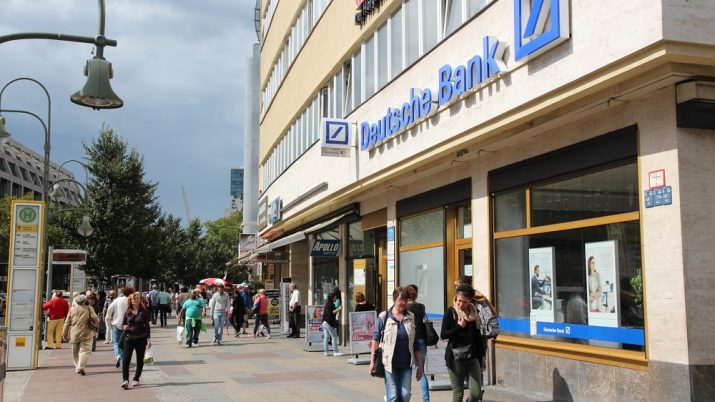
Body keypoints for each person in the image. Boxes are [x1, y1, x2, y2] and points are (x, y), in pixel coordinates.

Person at [369, 287, 424, 402]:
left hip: (406, 364)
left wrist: (420, 366)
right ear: (394, 300)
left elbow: (416, 343)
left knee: (405, 395)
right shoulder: (384, 317)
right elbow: (376, 340)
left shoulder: (411, 317)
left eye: (405, 300)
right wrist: (372, 362)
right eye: (400, 300)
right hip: (389, 364)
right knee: (393, 396)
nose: (403, 303)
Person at [441, 285, 486, 402]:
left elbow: (478, 338)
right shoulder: (450, 312)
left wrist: (483, 358)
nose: (461, 304)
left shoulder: (474, 314)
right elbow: (444, 335)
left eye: (464, 302)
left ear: (470, 301)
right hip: (455, 357)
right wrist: (459, 327)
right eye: (459, 301)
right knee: (458, 393)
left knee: (476, 393)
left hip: (473, 357)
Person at [120, 292, 152, 389]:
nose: (136, 300)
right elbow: (123, 324)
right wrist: (124, 327)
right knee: (126, 360)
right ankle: (125, 380)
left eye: (138, 298)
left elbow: (147, 326)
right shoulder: (127, 312)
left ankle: (136, 378)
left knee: (139, 360)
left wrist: (148, 339)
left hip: (141, 339)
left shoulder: (144, 312)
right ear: (130, 300)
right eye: (134, 299)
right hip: (128, 338)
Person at [62, 294, 99, 375]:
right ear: (85, 301)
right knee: (85, 350)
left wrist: (64, 334)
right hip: (87, 333)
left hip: (74, 333)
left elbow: (67, 323)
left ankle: (77, 367)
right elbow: (95, 318)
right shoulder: (89, 308)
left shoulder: (72, 310)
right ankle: (81, 366)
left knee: (75, 352)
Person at [405, 284, 429, 402]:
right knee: (421, 370)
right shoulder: (421, 307)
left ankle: (406, 397)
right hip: (421, 340)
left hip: (409, 340)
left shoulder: (405, 308)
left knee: (407, 370)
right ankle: (426, 400)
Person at [107, 286, 134, 368]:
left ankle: (118, 355)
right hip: (128, 325)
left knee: (116, 341)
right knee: (126, 342)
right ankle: (123, 359)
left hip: (117, 323)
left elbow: (109, 309)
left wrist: (109, 316)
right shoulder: (131, 301)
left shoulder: (117, 300)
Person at [322, 288, 343, 356]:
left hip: (324, 322)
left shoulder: (327, 304)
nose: (336, 298)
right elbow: (332, 312)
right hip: (329, 322)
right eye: (335, 297)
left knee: (326, 337)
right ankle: (335, 352)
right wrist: (339, 309)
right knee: (334, 337)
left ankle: (326, 351)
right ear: (333, 297)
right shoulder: (331, 304)